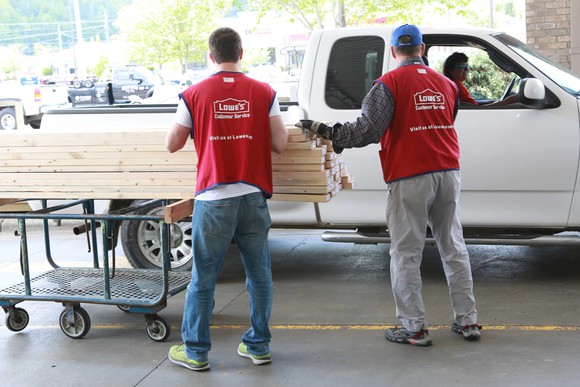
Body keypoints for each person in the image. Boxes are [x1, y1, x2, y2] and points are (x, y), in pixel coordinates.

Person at [297, 24, 480, 347]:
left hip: (410, 176)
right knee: (453, 246)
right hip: (448, 171)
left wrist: (327, 132)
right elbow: (446, 121)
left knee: (406, 252)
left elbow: (368, 130)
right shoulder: (447, 85)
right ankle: (468, 322)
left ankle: (415, 328)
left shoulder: (388, 85)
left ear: (394, 51)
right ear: (422, 49)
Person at [165, 27, 288, 371]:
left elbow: (171, 144)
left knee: (203, 277)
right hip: (253, 197)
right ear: (241, 54)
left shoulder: (193, 95)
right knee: (259, 274)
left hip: (214, 199)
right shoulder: (264, 92)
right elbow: (280, 143)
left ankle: (196, 352)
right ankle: (259, 346)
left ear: (211, 56)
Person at [443, 51, 517, 106]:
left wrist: (499, 101)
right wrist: (507, 101)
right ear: (451, 69)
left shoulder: (455, 85)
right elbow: (477, 111)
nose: (466, 70)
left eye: (467, 66)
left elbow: (475, 107)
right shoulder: (455, 87)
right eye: (462, 67)